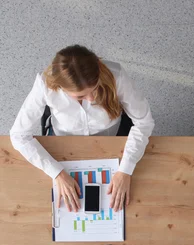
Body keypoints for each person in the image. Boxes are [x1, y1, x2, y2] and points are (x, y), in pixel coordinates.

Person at [10, 45, 155, 212]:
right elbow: (19, 135)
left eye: (94, 89)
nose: (92, 98)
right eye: (80, 96)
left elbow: (144, 122)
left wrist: (126, 170)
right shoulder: (45, 84)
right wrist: (56, 173)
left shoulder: (117, 75)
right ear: (60, 87)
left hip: (112, 140)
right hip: (63, 144)